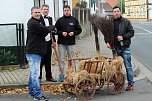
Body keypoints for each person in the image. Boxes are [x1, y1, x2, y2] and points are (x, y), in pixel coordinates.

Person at [26, 6, 55, 101]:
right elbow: (45, 30)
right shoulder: (33, 23)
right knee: (35, 75)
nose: (38, 14)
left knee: (32, 74)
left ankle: (31, 92)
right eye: (36, 12)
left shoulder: (37, 22)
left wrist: (47, 29)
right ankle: (38, 95)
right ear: (31, 13)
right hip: (33, 52)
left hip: (36, 52)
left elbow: (44, 32)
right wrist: (53, 27)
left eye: (39, 12)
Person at [106, 6, 135, 91]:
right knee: (116, 68)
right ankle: (118, 83)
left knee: (128, 66)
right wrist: (107, 42)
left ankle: (130, 84)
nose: (116, 13)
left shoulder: (126, 22)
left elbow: (131, 32)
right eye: (114, 11)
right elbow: (106, 34)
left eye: (117, 11)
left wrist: (123, 37)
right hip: (115, 49)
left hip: (125, 48)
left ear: (120, 12)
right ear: (113, 13)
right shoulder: (110, 22)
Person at [55, 5, 82, 82]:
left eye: (68, 10)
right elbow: (55, 31)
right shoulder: (59, 20)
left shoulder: (74, 20)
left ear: (70, 11)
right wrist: (61, 33)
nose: (66, 11)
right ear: (63, 11)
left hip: (71, 43)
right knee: (62, 60)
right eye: (65, 10)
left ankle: (72, 74)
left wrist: (73, 33)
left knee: (72, 59)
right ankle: (61, 75)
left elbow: (79, 30)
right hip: (61, 43)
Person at [39, 4, 57, 82]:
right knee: (41, 60)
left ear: (48, 11)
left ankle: (49, 76)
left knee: (48, 60)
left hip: (49, 41)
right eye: (44, 9)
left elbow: (51, 30)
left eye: (47, 9)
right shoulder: (38, 19)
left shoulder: (50, 19)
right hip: (41, 43)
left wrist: (54, 42)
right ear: (41, 10)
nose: (46, 10)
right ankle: (38, 77)